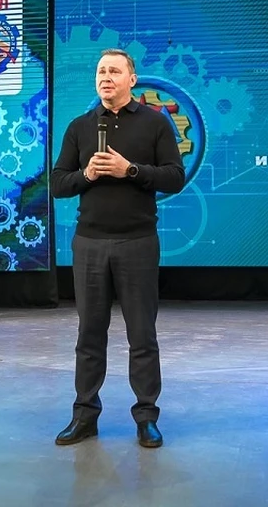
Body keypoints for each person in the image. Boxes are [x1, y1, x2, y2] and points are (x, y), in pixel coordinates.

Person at [51, 48, 185, 448]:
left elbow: (175, 177)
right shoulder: (80, 126)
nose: (106, 77)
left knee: (142, 335)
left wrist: (131, 170)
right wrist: (86, 175)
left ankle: (146, 417)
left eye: (114, 71)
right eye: (101, 71)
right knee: (89, 335)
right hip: (89, 244)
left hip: (137, 243)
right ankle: (84, 416)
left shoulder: (155, 123)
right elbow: (58, 183)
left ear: (132, 79)